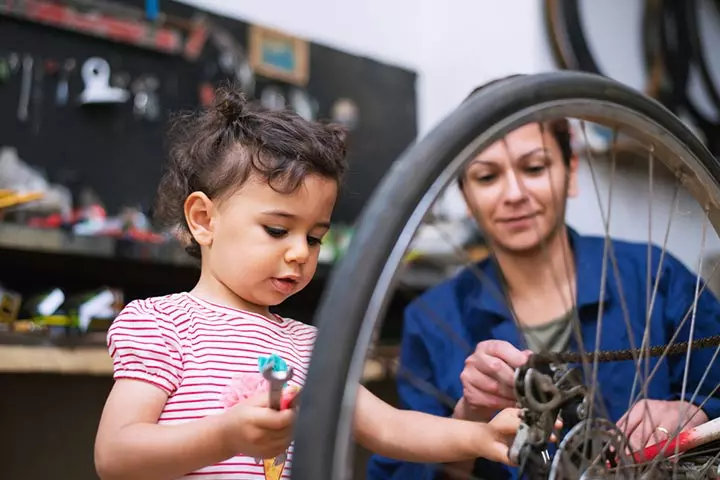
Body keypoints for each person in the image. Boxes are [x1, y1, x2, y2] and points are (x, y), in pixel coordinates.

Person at [93, 85, 523, 480]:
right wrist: (225, 436)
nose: (301, 252)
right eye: (278, 230)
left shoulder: (308, 348)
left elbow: (390, 427)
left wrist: (481, 438)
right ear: (204, 220)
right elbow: (115, 454)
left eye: (315, 237)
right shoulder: (163, 325)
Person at [366, 78, 720, 479]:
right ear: (465, 195)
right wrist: (469, 419)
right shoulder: (430, 320)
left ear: (570, 169)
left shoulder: (656, 276)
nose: (514, 193)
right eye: (486, 177)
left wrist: (692, 410)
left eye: (534, 167)